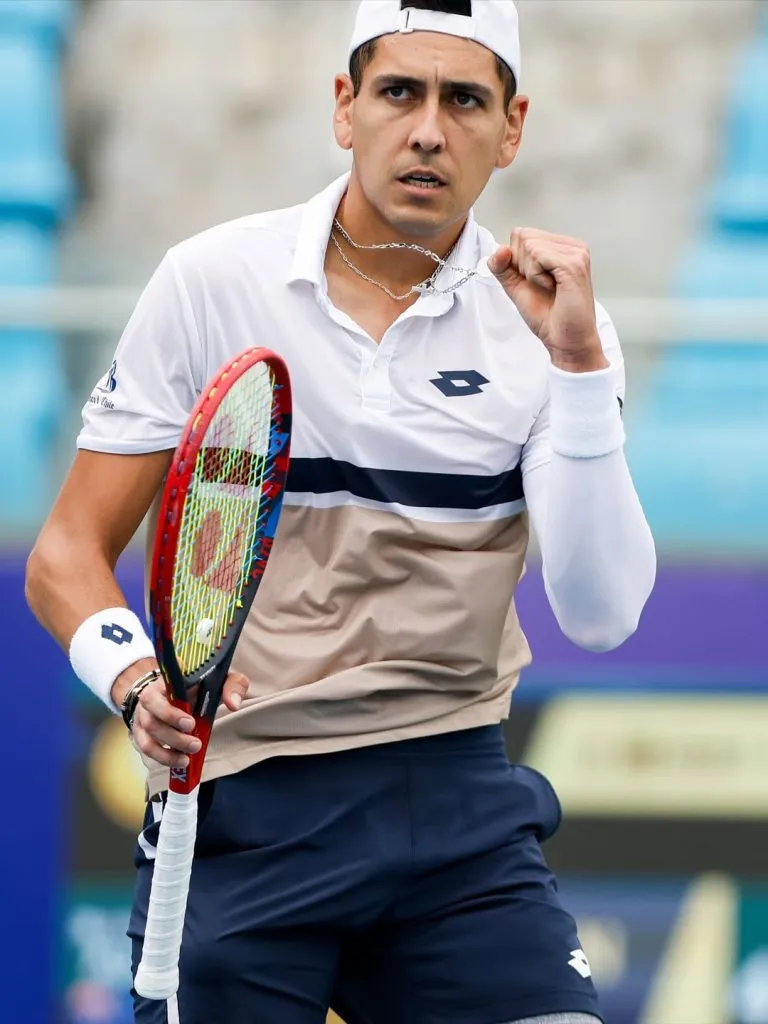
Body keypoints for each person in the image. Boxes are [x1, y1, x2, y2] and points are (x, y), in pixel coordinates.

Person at [26, 1, 656, 1022]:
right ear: (343, 107)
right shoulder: (209, 280)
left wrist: (580, 369)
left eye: (464, 101)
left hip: (458, 813)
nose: (427, 130)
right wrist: (138, 683)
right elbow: (65, 554)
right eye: (399, 91)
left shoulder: (553, 324)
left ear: (513, 127)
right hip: (247, 808)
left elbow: (601, 613)